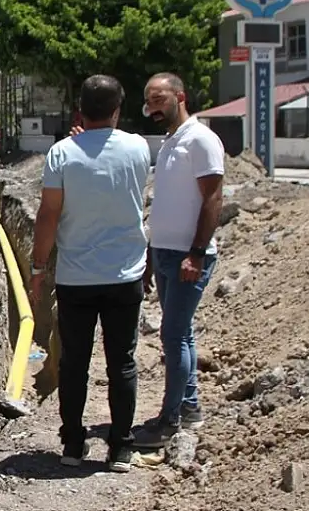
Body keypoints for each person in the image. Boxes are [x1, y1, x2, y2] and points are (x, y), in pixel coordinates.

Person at [28, 74, 151, 473]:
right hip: (125, 275)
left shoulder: (62, 153)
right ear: (118, 109)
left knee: (75, 363)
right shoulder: (138, 147)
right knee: (123, 363)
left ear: (79, 109)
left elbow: (49, 215)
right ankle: (120, 448)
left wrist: (37, 266)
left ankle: (74, 444)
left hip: (77, 278)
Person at [129, 72, 224, 449]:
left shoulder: (200, 140)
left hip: (189, 257)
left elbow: (213, 199)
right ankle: (189, 409)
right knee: (181, 334)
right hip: (166, 254)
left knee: (172, 336)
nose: (153, 107)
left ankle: (168, 421)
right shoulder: (171, 142)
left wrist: (196, 253)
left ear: (180, 96)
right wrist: (152, 255)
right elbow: (168, 203)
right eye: (149, 101)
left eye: (159, 99)